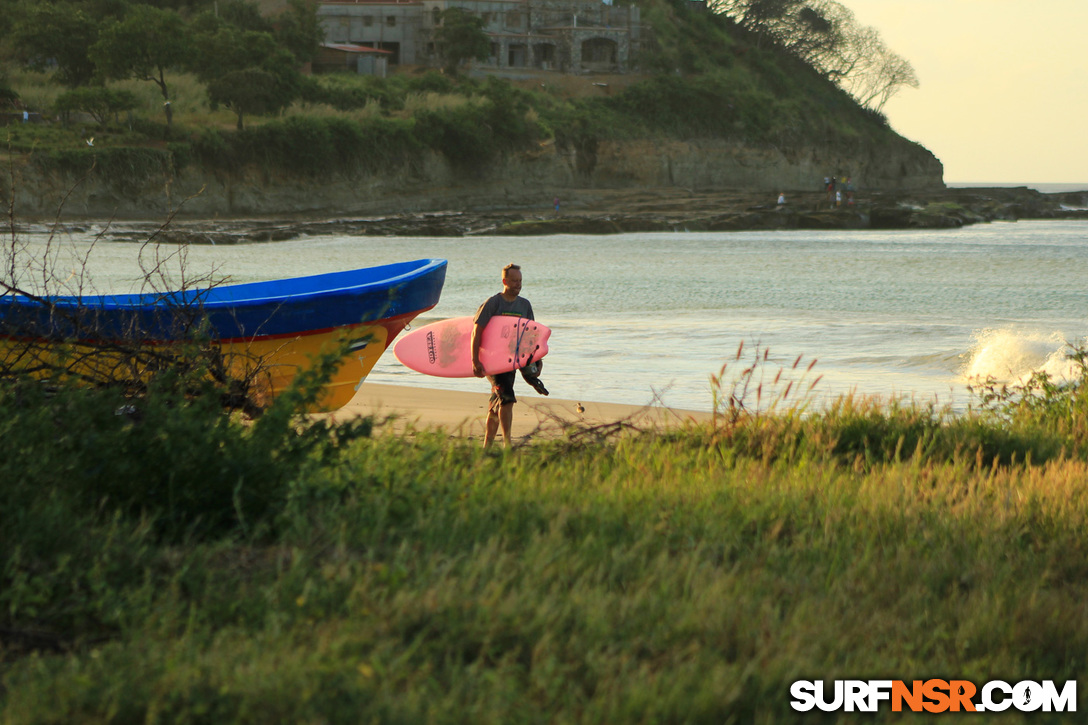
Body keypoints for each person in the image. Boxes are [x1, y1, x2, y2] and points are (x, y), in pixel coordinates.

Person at [472, 263, 548, 449]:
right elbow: (477, 331)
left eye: (520, 281)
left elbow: (531, 336)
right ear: (504, 281)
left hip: (511, 361)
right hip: (492, 360)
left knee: (497, 401)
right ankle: (507, 443)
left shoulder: (524, 305)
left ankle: (487, 446)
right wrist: (475, 360)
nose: (518, 284)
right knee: (507, 398)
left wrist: (536, 361)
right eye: (514, 281)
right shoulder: (493, 303)